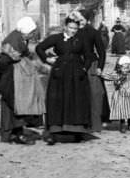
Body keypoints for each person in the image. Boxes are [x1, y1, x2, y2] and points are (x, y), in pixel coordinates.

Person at [35, 16, 91, 145]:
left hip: (77, 75)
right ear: (65, 27)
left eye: (75, 29)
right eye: (70, 28)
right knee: (58, 100)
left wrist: (84, 68)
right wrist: (46, 59)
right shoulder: (56, 38)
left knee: (75, 100)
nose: (73, 31)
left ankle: (76, 130)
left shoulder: (81, 39)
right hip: (60, 74)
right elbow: (39, 48)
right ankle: (55, 130)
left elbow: (89, 55)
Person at [0, 17, 40, 145]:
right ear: (26, 31)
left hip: (13, 76)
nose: (33, 34)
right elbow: (7, 60)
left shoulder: (19, 38)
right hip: (9, 76)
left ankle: (12, 132)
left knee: (15, 103)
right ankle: (13, 134)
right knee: (13, 103)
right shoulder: (14, 41)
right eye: (31, 32)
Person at [74, 9, 110, 132]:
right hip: (77, 64)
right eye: (77, 20)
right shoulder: (74, 31)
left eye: (82, 20)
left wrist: (100, 67)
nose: (79, 22)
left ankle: (96, 122)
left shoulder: (93, 32)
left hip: (92, 65)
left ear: (87, 20)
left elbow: (101, 52)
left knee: (95, 93)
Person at [101, 56, 130, 133]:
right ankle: (122, 124)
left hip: (129, 93)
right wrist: (101, 74)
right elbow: (107, 76)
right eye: (124, 64)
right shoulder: (116, 74)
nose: (126, 66)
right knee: (122, 110)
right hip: (119, 94)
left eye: (127, 64)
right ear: (120, 65)